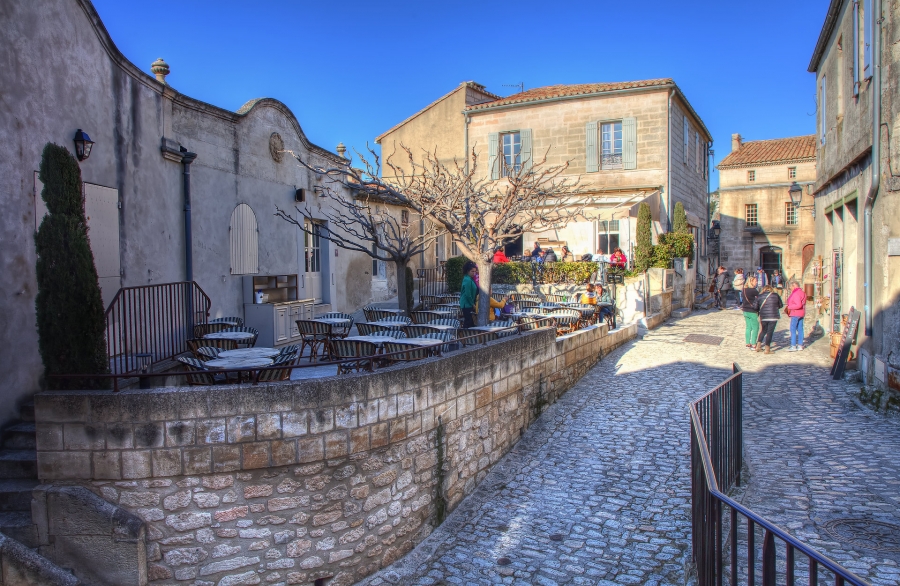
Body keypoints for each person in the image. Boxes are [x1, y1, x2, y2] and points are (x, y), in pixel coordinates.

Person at [755, 285, 783, 354]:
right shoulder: (776, 295)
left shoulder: (760, 296)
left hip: (763, 316)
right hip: (773, 316)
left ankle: (758, 346)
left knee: (763, 330)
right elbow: (781, 305)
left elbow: (755, 306)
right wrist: (774, 308)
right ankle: (767, 349)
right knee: (769, 332)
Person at [786, 280, 806, 351]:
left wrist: (789, 307)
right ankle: (800, 345)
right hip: (801, 313)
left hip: (795, 313)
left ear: (794, 286)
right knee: (800, 329)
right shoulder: (802, 292)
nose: (790, 288)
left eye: (791, 287)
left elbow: (798, 305)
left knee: (793, 329)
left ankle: (793, 345)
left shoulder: (796, 293)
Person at [741, 276, 760, 350]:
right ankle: (753, 343)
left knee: (748, 327)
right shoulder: (753, 291)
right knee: (755, 327)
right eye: (755, 281)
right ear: (751, 282)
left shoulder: (744, 290)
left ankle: (747, 342)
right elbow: (759, 299)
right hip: (752, 311)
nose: (756, 282)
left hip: (745, 310)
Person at [459, 261, 478, 328]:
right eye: (472, 271)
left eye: (475, 271)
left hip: (468, 303)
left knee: (470, 321)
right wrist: (472, 304)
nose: (474, 273)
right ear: (468, 271)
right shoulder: (467, 280)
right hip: (466, 304)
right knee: (468, 322)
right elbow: (468, 294)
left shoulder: (469, 279)